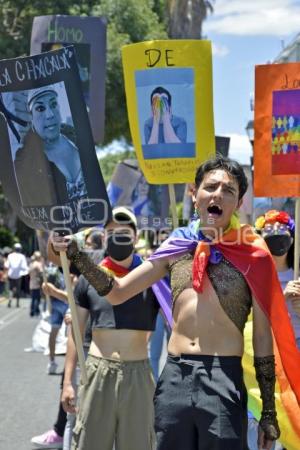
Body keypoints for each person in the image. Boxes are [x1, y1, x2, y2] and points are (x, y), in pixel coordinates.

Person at [53, 155, 300, 450]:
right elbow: (117, 291)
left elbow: (262, 336)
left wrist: (269, 413)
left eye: (229, 190)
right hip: (174, 378)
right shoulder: (176, 245)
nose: (218, 194)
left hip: (224, 379)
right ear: (194, 195)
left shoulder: (254, 257)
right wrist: (77, 256)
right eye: (210, 187)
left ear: (239, 202)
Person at [56, 207, 159, 450]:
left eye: (123, 231)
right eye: (111, 231)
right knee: (89, 443)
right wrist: (68, 382)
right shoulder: (88, 278)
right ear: (103, 236)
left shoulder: (153, 277)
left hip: (138, 375)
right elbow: (76, 333)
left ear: (135, 236)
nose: (116, 236)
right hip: (96, 372)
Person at [14, 86, 87, 206]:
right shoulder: (24, 160)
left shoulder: (78, 138)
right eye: (40, 108)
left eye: (53, 105)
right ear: (31, 117)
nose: (50, 115)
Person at [255, 210, 300, 346]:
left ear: (292, 239)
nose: (276, 231)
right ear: (260, 238)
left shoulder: (297, 275)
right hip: (271, 346)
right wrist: (282, 298)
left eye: (281, 228)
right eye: (268, 228)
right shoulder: (254, 275)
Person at [44, 263, 69, 374]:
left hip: (58, 302)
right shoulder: (67, 269)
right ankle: (59, 363)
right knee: (69, 335)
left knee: (57, 332)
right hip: (64, 303)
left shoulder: (51, 270)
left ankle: (53, 362)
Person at [5, 242, 28, 308]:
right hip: (18, 275)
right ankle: (17, 303)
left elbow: (6, 265)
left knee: (10, 289)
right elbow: (24, 266)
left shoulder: (10, 255)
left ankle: (10, 301)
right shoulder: (22, 256)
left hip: (11, 275)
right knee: (18, 289)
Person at [28, 250, 43, 317]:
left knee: (33, 297)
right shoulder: (38, 264)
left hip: (32, 282)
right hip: (37, 282)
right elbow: (42, 272)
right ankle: (36, 310)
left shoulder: (31, 264)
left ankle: (32, 310)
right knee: (37, 297)